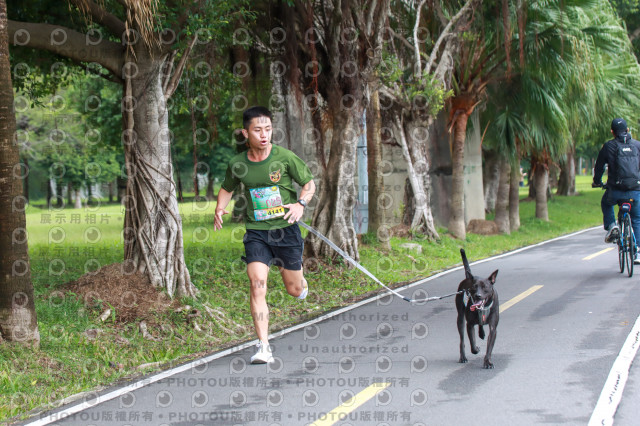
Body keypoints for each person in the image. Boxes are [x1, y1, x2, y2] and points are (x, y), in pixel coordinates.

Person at [214, 106, 316, 364]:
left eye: (268, 129)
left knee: (294, 290)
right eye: (258, 130)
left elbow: (309, 184)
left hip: (285, 230)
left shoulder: (284, 157)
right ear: (245, 132)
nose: (264, 135)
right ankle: (263, 347)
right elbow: (227, 188)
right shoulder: (237, 163)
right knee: (257, 284)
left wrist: (299, 204)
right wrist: (220, 207)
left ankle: (301, 284)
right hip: (257, 232)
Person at [593, 118, 640, 261]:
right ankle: (637, 251)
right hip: (635, 190)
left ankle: (612, 225)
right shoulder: (637, 145)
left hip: (615, 191)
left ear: (612, 131)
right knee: (637, 218)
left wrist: (597, 181)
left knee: (606, 203)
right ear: (627, 130)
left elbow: (599, 166)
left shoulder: (608, 146)